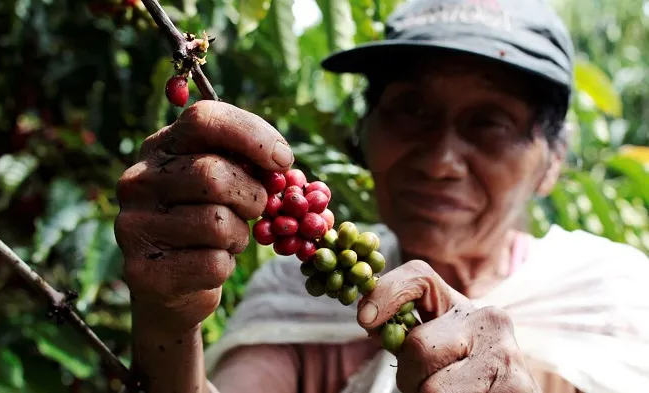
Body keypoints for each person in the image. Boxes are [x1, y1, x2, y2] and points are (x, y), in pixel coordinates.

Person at [113, 0, 649, 392]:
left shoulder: (619, 303)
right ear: (364, 132)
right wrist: (168, 320)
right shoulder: (299, 292)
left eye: (491, 123)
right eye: (410, 110)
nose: (440, 161)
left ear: (552, 160)